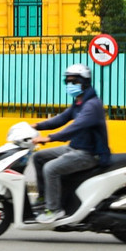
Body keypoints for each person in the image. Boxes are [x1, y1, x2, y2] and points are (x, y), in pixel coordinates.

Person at [32, 63, 110, 223]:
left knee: (50, 169)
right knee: (39, 157)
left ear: (85, 82)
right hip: (73, 148)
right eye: (67, 82)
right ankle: (43, 199)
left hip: (88, 154)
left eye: (74, 82)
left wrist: (50, 138)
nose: (70, 85)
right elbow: (62, 118)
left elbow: (76, 126)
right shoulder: (79, 102)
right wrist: (37, 126)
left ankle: (54, 210)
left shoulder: (92, 105)